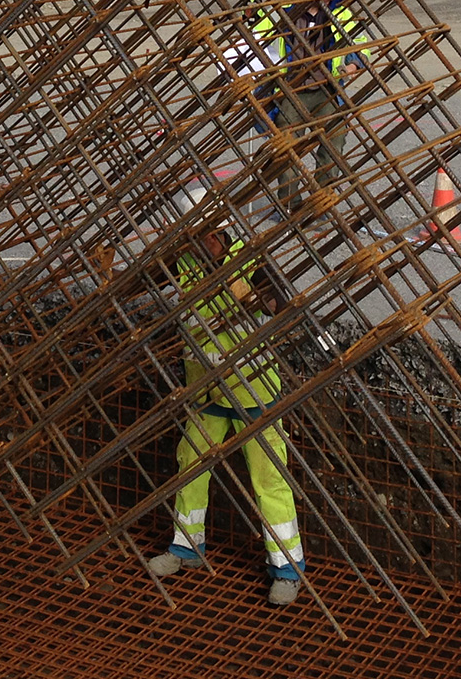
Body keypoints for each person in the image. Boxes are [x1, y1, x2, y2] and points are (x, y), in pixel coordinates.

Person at [103, 178, 306, 605]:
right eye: (192, 234)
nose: (199, 241)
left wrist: (254, 298)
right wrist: (110, 272)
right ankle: (186, 546)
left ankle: (286, 568)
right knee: (189, 461)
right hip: (207, 390)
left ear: (220, 230)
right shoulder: (184, 262)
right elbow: (140, 281)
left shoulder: (249, 260)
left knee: (269, 478)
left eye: (205, 233)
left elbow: (284, 309)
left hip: (254, 391)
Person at [253, 0, 374, 219]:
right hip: (291, 89)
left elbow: (361, 44)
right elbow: (257, 42)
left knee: (334, 142)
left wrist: (353, 65)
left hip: (327, 89)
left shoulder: (342, 12)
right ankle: (289, 205)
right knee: (286, 149)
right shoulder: (286, 11)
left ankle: (320, 202)